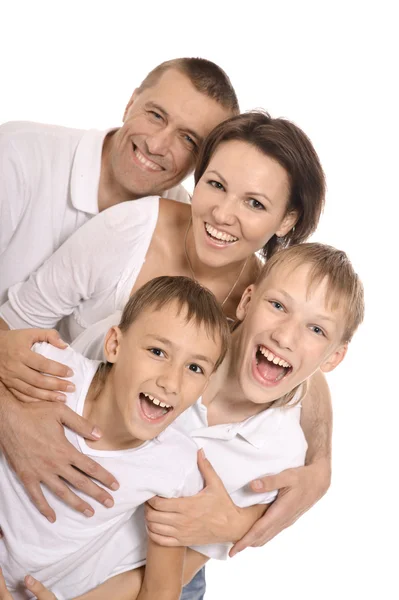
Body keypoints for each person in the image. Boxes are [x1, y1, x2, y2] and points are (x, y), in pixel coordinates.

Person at [0, 111, 329, 600]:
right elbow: (18, 322)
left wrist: (319, 468)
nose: (222, 214)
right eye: (215, 185)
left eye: (255, 203)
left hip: (143, 541)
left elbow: (305, 374)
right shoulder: (132, 231)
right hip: (50, 484)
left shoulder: (265, 297)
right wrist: (13, 416)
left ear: (286, 221)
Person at [0, 243, 365, 600]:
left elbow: (171, 578)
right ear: (247, 301)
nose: (285, 336)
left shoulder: (277, 460)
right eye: (277, 305)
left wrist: (242, 521)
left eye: (316, 330)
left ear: (334, 359)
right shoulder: (156, 329)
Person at [0, 275, 230, 599]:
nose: (171, 382)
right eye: (158, 351)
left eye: (194, 368)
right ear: (115, 345)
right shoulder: (49, 371)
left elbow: (161, 591)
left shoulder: (175, 465)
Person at [0, 57, 239, 304]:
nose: (156, 145)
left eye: (188, 139)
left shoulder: (189, 225)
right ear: (130, 104)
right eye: (156, 115)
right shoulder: (17, 152)